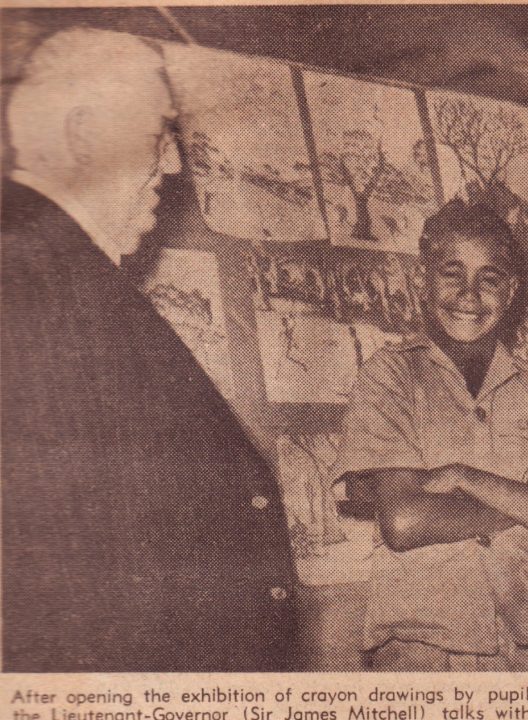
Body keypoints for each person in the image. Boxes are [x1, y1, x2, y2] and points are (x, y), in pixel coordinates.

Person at [2, 28, 297, 671]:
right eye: (157, 137)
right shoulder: (22, 275)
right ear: (83, 133)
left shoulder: (69, 274)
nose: (170, 167)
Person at [333, 200, 528, 671]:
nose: (470, 295)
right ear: (423, 279)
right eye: (452, 273)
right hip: (423, 646)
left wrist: (466, 478)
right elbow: (404, 523)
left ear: (512, 289)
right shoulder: (390, 376)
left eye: (490, 278)